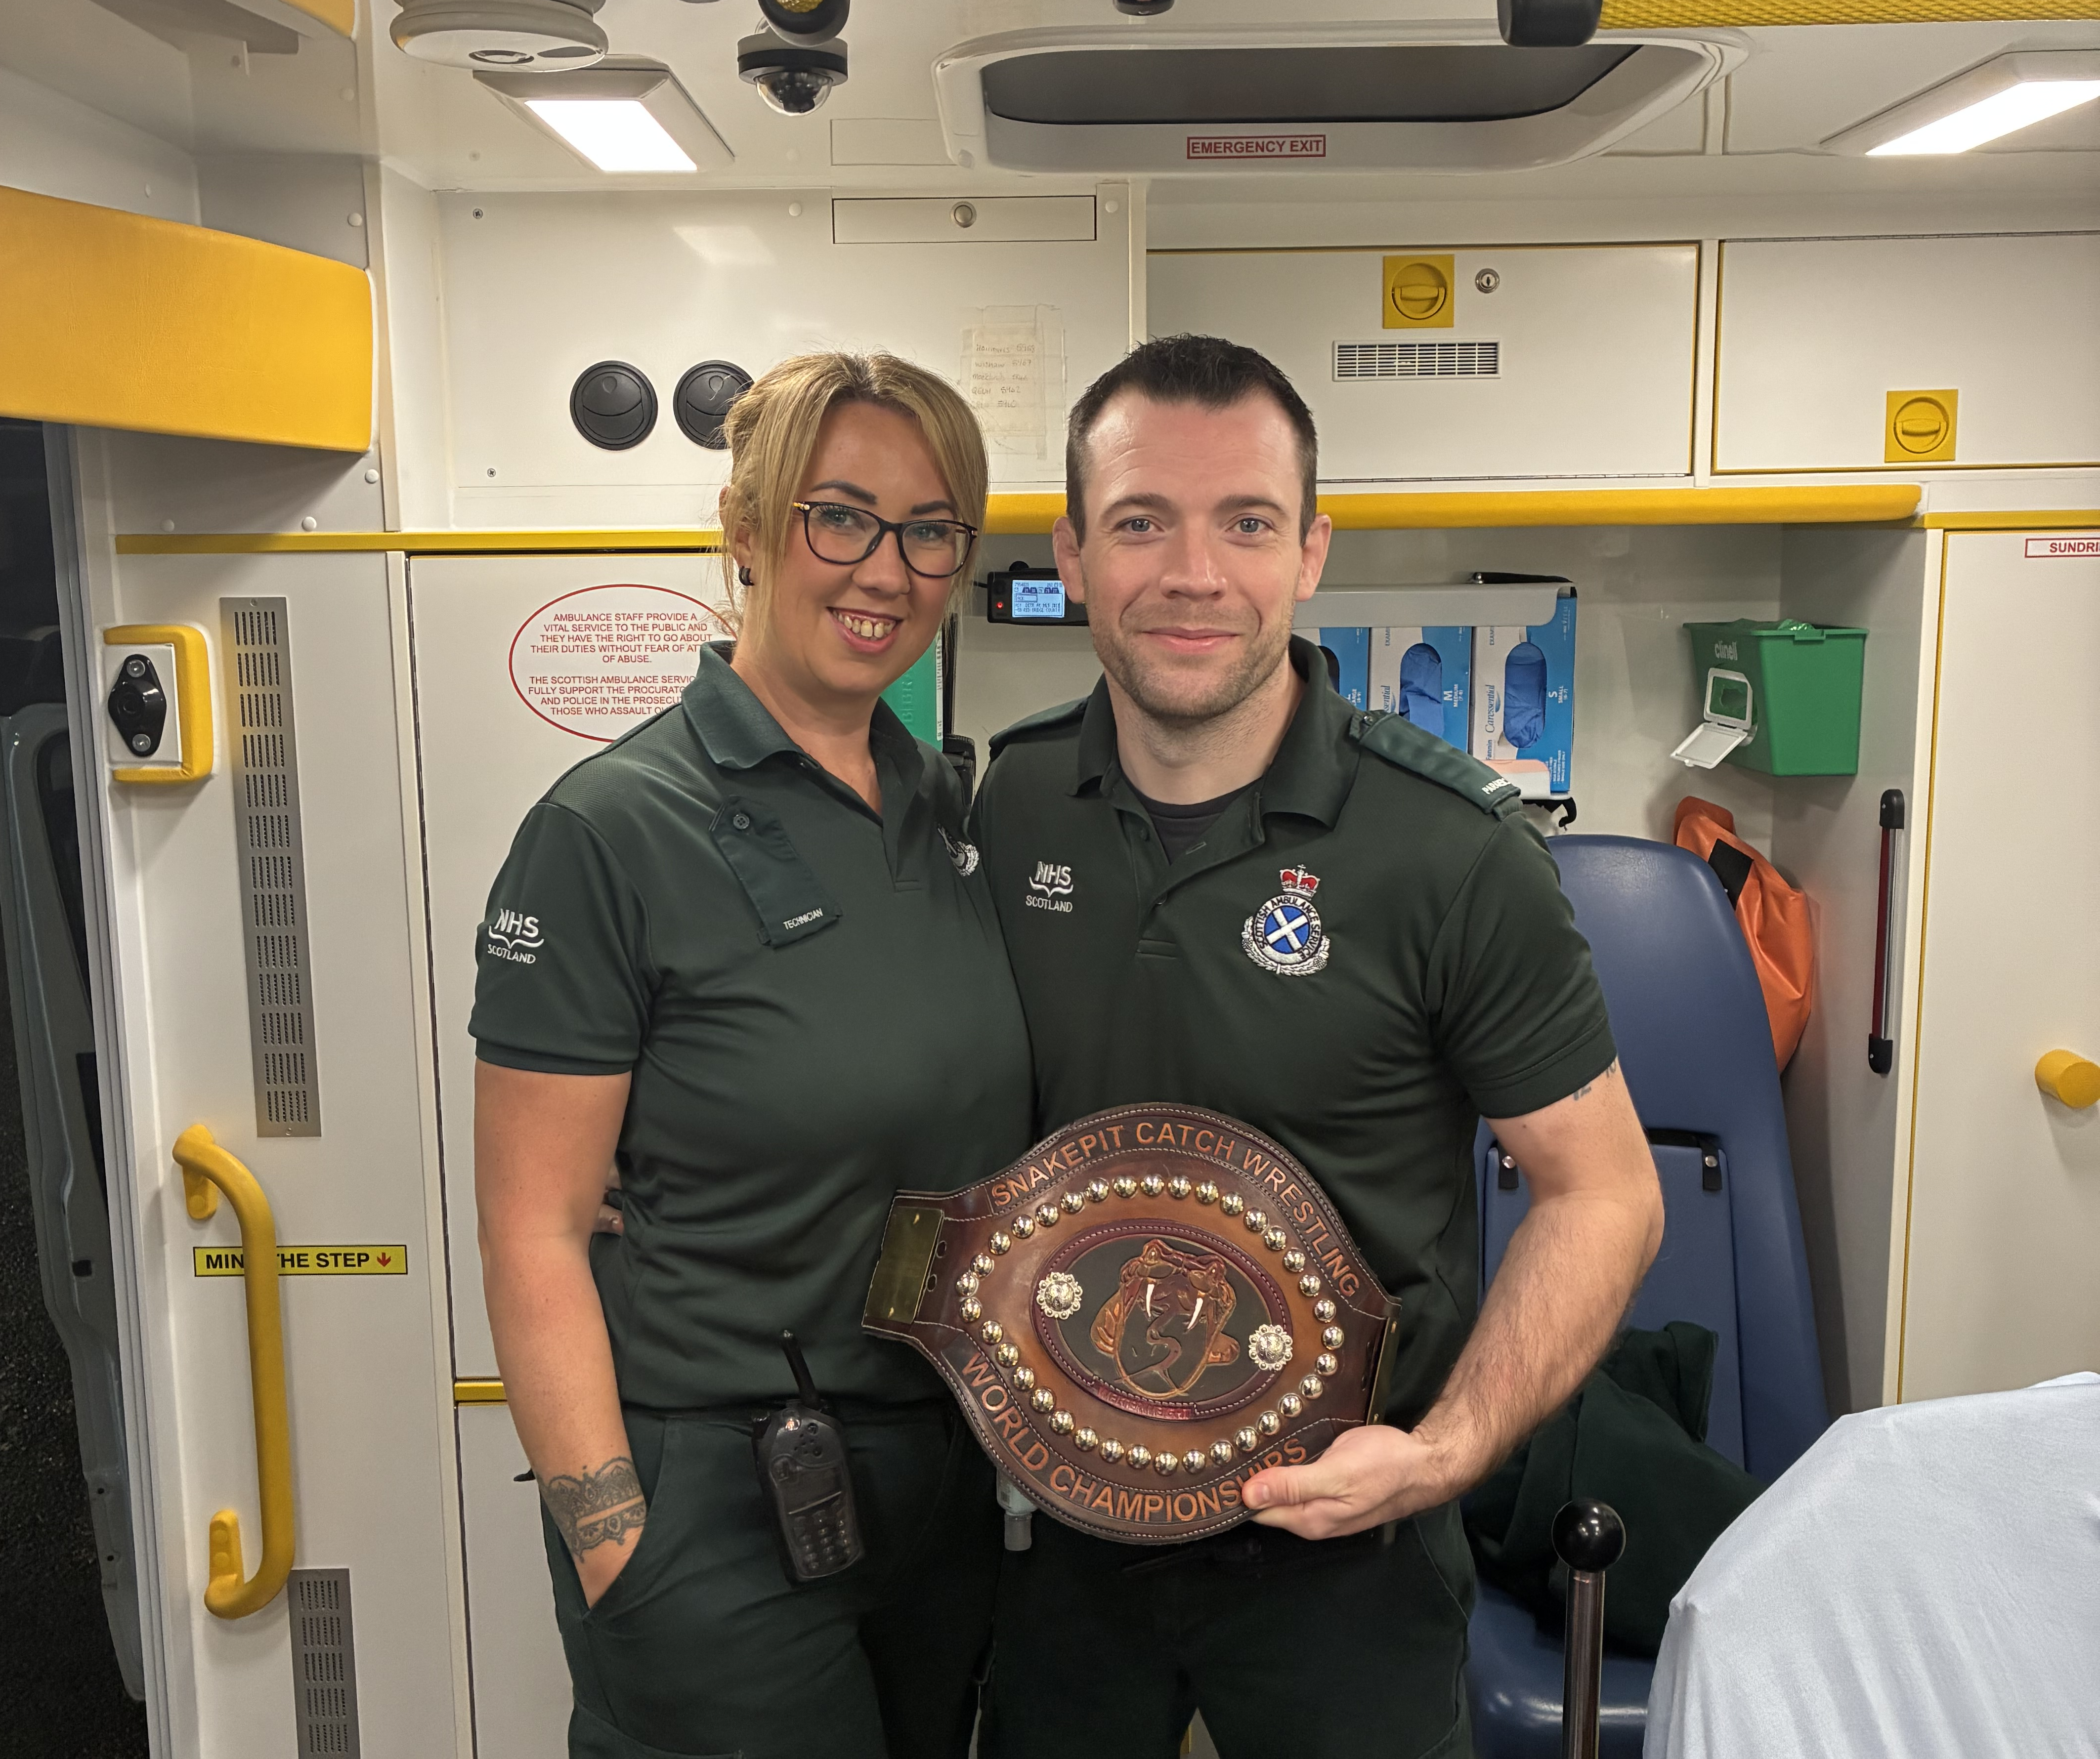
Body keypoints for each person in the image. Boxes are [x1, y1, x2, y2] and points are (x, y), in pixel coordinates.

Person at [969, 335, 1665, 1758]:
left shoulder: (1455, 852)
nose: (1193, 573)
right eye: (1141, 522)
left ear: (1311, 552)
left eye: (1247, 523)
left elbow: (1606, 1193)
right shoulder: (1007, 803)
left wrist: (1449, 1453)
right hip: (1059, 1537)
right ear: (1076, 551)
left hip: (1348, 1553)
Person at [472, 351, 1033, 1759]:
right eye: (838, 515)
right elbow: (532, 1227)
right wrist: (614, 1540)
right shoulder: (613, 826)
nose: (884, 569)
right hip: (714, 1498)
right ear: (746, 528)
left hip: (931, 1482)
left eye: (930, 530)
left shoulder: (949, 812)